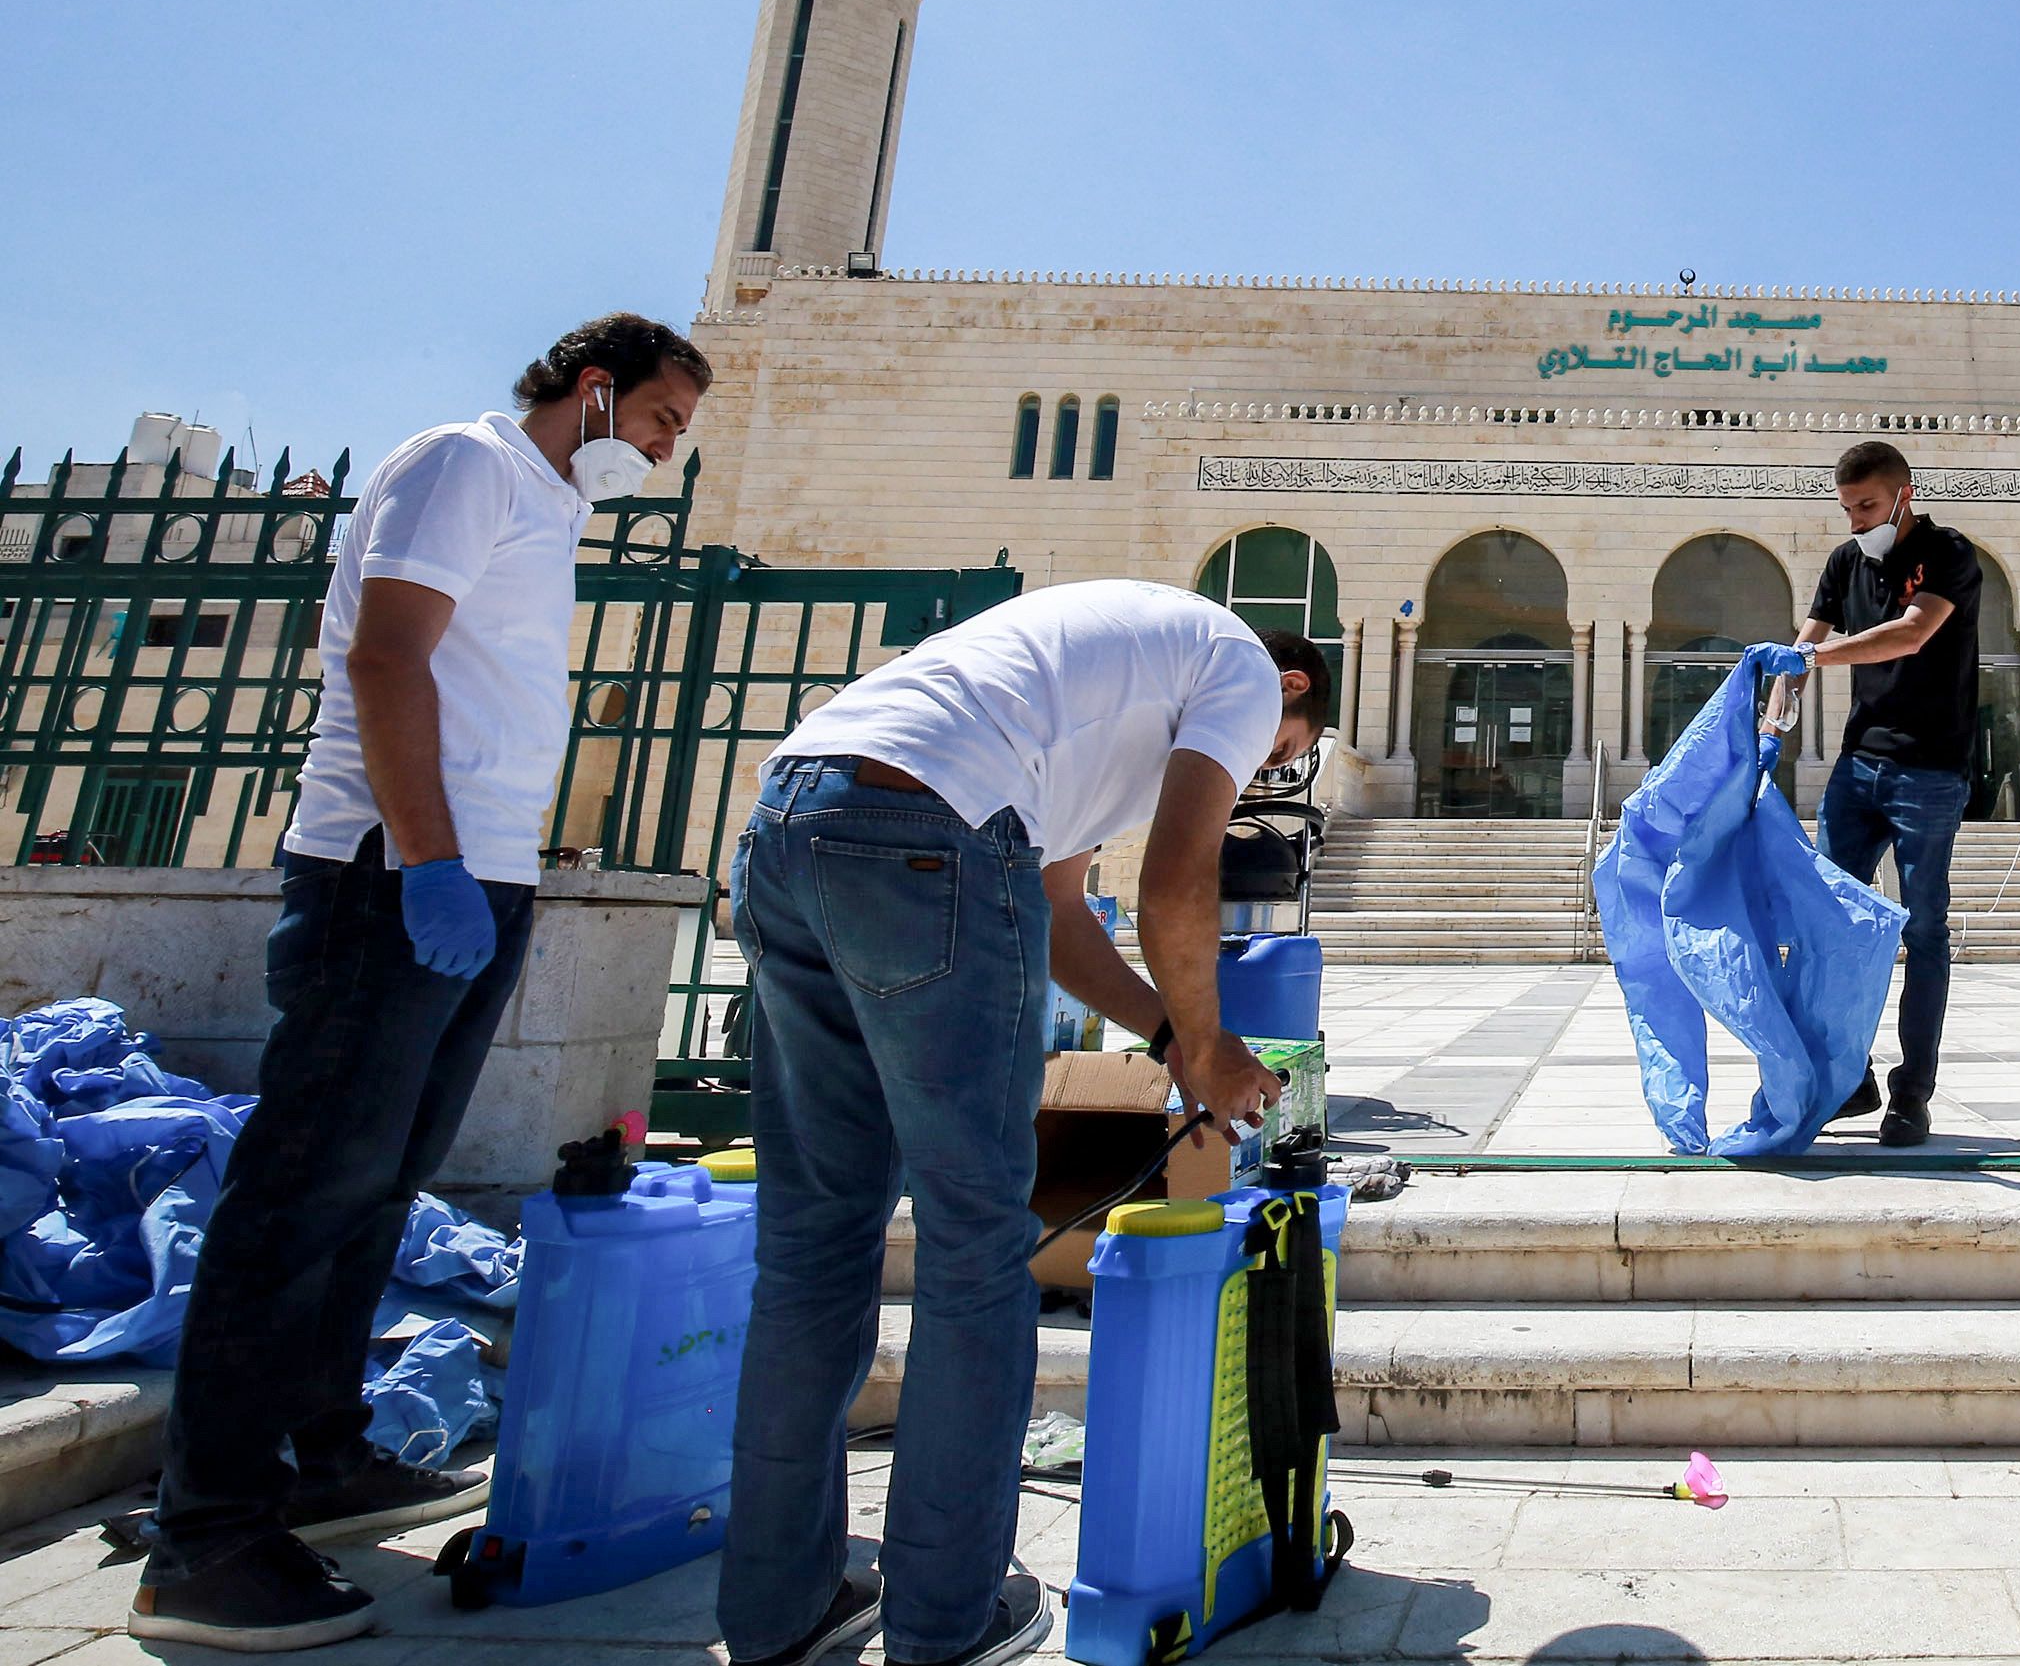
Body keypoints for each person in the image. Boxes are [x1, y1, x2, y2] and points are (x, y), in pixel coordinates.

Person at [131, 315, 710, 1650]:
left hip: (480, 881)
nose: (667, 454)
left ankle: (320, 1454)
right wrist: (430, 859)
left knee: (382, 1182)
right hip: (389, 876)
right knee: (301, 1188)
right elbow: (387, 657)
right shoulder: (467, 462)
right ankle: (203, 1537)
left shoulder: (548, 508)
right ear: (597, 385)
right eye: (665, 423)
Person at [716, 582, 1330, 1666]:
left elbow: (1054, 913)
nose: (1260, 775)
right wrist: (1214, 1035)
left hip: (788, 823)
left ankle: (776, 1608)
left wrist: (1171, 1036)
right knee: (972, 1244)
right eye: (1279, 754)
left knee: (813, 1238)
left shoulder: (1082, 695)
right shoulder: (1236, 667)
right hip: (923, 835)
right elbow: (1176, 881)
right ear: (1291, 688)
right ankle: (943, 1618)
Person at [1770, 440, 1981, 1147]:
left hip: (1930, 771)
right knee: (1826, 920)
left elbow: (1912, 632)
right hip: (1858, 769)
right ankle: (1847, 1075)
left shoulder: (1951, 553)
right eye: (1847, 509)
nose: (1858, 521)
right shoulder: (1843, 562)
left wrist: (1815, 657)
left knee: (1923, 930)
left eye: (1867, 505)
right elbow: (1805, 641)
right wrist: (1774, 717)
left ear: (1903, 493)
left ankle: (1911, 1095)